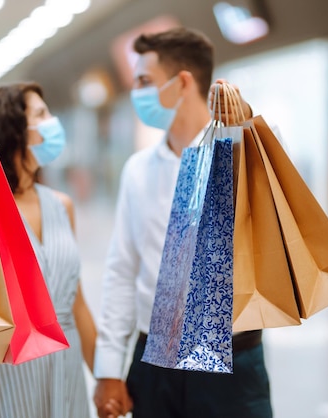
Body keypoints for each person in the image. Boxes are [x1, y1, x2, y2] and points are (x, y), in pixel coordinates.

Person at [93, 28, 272, 418]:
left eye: (144, 81)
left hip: (230, 359)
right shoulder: (138, 170)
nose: (136, 93)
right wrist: (108, 369)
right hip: (154, 360)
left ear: (183, 82)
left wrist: (247, 133)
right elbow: (122, 271)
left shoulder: (240, 152)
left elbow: (280, 220)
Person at [0, 82, 97, 418]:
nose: (52, 121)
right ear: (13, 129)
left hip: (64, 372)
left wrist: (107, 377)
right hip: (3, 372)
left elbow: (77, 303)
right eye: (41, 114)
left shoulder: (61, 205)